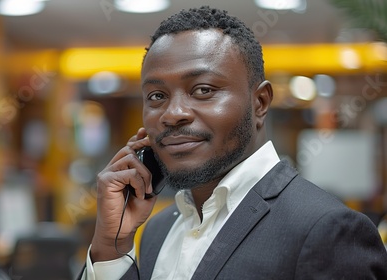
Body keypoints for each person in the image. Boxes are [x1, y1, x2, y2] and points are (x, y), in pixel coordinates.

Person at [78, 6, 387, 280]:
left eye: (202, 90)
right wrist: (112, 249)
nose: (173, 114)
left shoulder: (327, 230)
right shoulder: (157, 231)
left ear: (260, 103)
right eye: (157, 96)